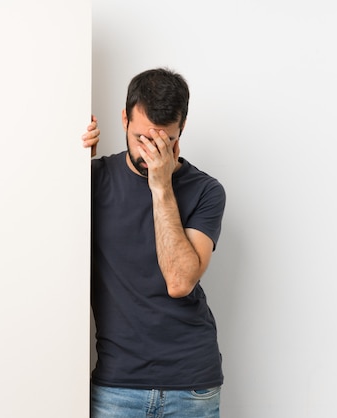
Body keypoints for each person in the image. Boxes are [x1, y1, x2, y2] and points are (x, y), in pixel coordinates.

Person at [81, 68, 226, 418]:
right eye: (141, 139)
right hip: (117, 385)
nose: (150, 154)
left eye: (164, 141)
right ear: (123, 119)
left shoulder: (206, 191)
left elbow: (179, 282)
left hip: (191, 385)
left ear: (181, 130)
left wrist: (161, 187)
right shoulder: (95, 179)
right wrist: (74, 163)